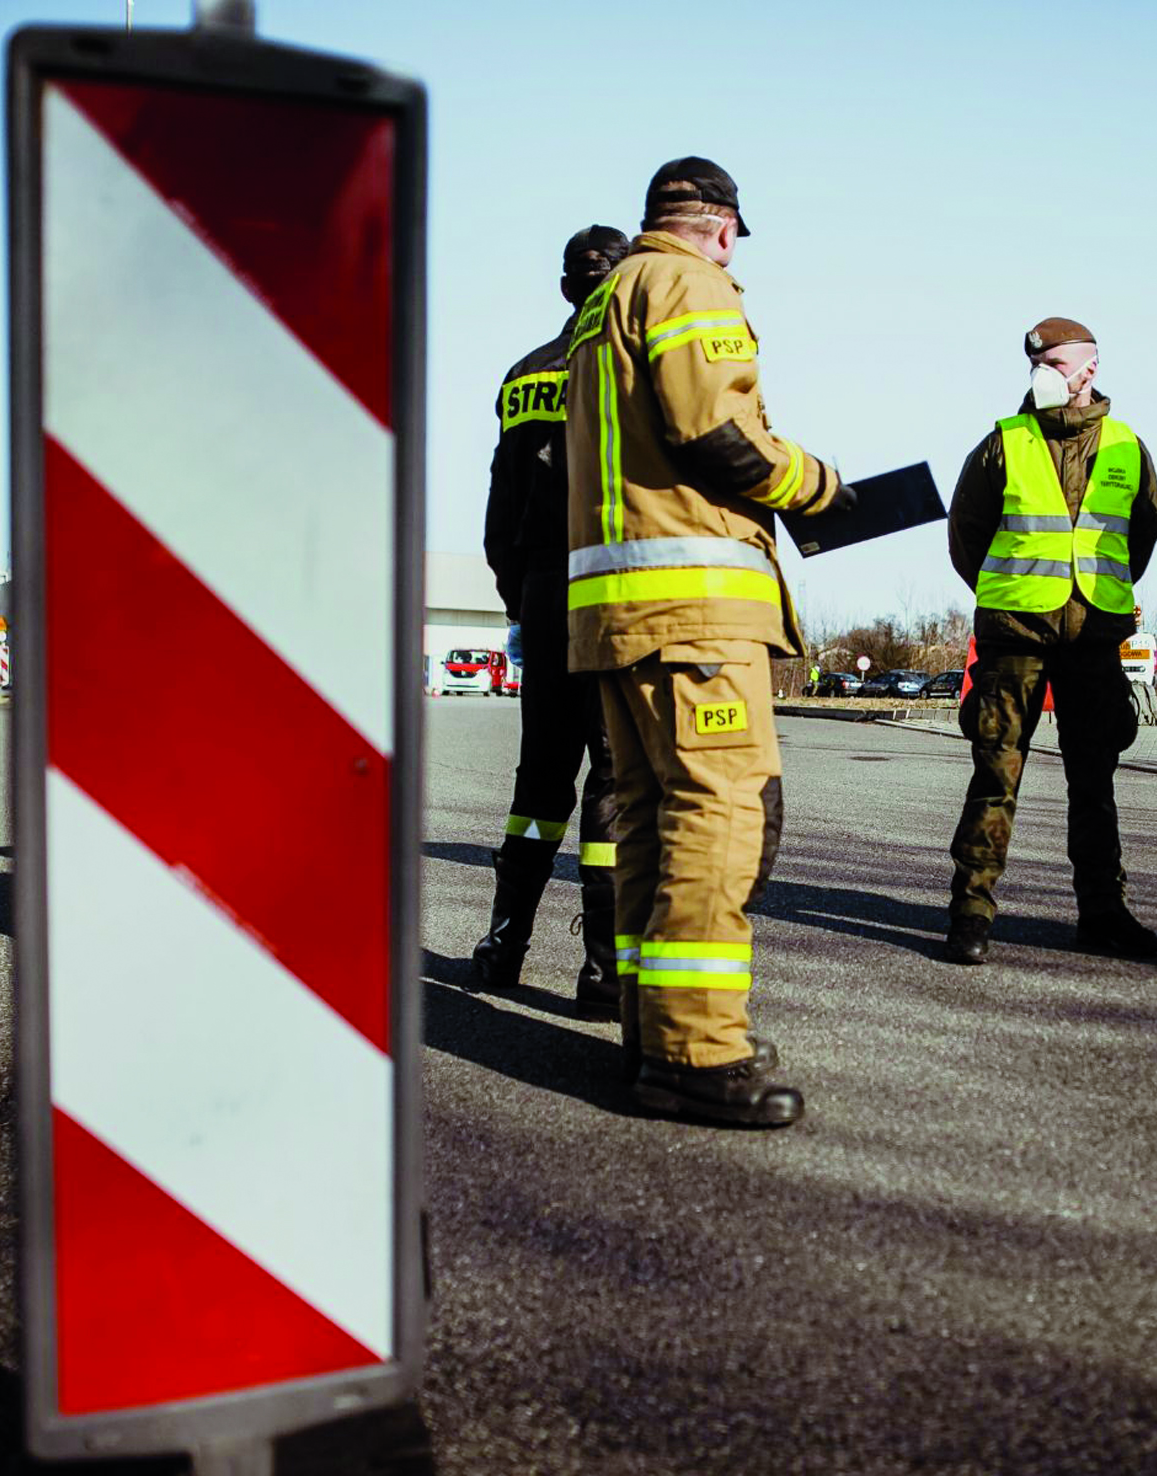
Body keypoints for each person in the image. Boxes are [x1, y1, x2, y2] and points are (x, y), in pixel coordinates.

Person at [562, 158, 850, 1127]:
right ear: (722, 229)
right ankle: (696, 1050)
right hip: (696, 613)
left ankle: (653, 1032)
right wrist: (818, 485)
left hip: (618, 610)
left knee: (646, 817)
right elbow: (712, 433)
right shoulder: (688, 282)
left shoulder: (603, 299)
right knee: (719, 815)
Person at [942, 317, 1157, 966]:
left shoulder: (1126, 446)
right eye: (1035, 360)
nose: (1043, 370)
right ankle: (971, 914)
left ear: (1090, 369)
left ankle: (1103, 914)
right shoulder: (1001, 445)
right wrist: (1013, 597)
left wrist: (1097, 595)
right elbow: (968, 540)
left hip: (1094, 639)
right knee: (994, 776)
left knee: (1094, 784)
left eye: (1056, 360)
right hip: (1014, 639)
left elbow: (1141, 535)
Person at [473, 226, 633, 1019]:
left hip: (540, 589)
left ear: (567, 286)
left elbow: (500, 508)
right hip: (608, 591)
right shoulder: (626, 365)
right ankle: (603, 972)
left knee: (538, 780)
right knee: (611, 777)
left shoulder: (524, 373)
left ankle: (504, 943)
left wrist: (519, 593)